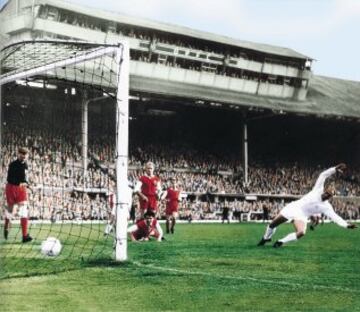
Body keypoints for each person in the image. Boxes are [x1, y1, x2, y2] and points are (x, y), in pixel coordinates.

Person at [257, 164, 357, 248]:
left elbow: (336, 218)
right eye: (327, 193)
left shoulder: (326, 207)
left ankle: (280, 242)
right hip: (294, 208)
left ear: (330, 197)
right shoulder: (318, 189)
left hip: (302, 215)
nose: (326, 195)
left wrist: (346, 225)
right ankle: (266, 238)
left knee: (301, 232)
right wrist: (335, 169)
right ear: (325, 190)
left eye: (329, 195)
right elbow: (323, 175)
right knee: (273, 224)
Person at [4, 147, 33, 242]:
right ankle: (7, 224)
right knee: (10, 210)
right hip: (11, 188)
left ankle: (24, 236)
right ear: (18, 154)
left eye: (25, 154)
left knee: (24, 210)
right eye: (22, 153)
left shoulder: (26, 165)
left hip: (21, 189)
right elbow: (11, 179)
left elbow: (24, 179)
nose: (23, 156)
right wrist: (22, 183)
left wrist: (26, 184)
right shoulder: (12, 165)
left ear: (27, 155)